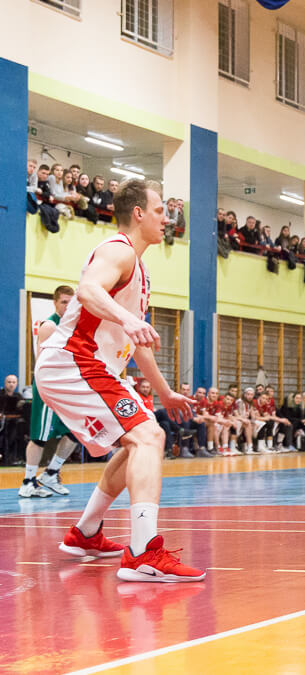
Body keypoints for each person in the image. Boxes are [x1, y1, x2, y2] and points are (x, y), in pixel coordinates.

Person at [36, 178, 203, 581]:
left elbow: (137, 342)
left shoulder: (139, 270)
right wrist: (128, 318)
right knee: (148, 437)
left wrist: (165, 392)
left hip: (92, 368)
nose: (167, 219)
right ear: (139, 213)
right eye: (160, 210)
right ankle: (144, 553)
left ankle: (86, 533)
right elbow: (88, 290)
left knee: (139, 441)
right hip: (74, 361)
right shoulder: (118, 250)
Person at [20, 285, 81, 498]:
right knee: (40, 435)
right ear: (55, 303)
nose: (67, 306)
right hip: (49, 385)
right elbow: (43, 363)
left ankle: (51, 473)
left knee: (76, 431)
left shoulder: (72, 326)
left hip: (66, 386)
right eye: (63, 302)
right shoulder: (50, 326)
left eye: (71, 303)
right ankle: (28, 482)